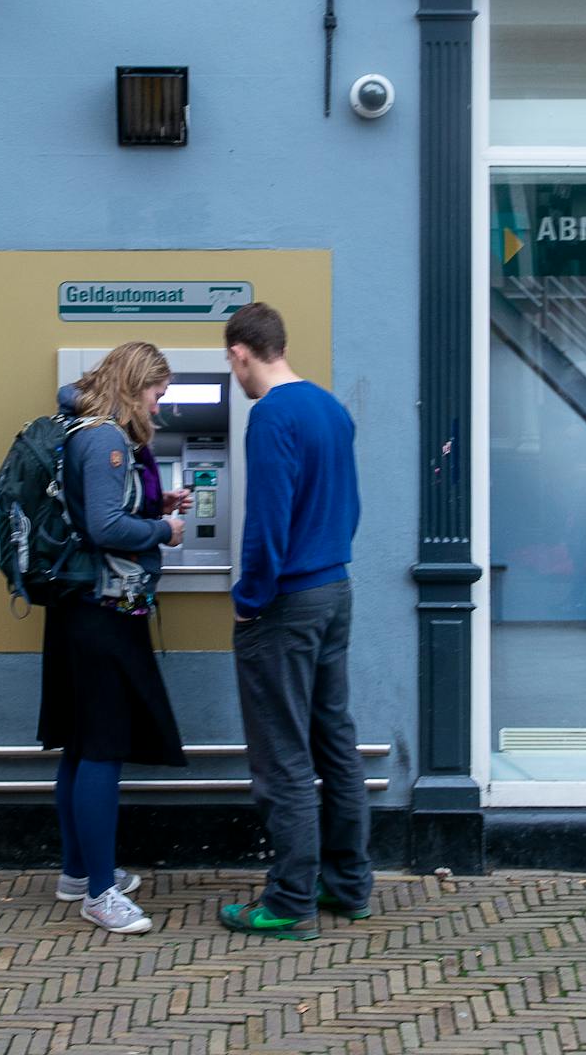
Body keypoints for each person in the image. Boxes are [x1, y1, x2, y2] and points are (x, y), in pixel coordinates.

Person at [216, 303, 369, 942]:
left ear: (239, 354)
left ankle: (288, 902)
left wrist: (250, 596)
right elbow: (349, 504)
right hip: (335, 586)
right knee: (333, 738)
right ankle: (348, 885)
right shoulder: (331, 408)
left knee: (281, 753)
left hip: (287, 600)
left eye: (232, 364)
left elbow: (267, 519)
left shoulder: (270, 415)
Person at [38, 341, 191, 935]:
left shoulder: (86, 430)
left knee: (82, 745)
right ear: (136, 384)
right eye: (158, 394)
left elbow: (100, 511)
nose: (160, 407)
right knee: (100, 747)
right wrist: (165, 528)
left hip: (86, 609)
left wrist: (155, 500)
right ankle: (101, 894)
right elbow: (104, 527)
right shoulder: (103, 437)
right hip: (102, 611)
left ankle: (79, 870)